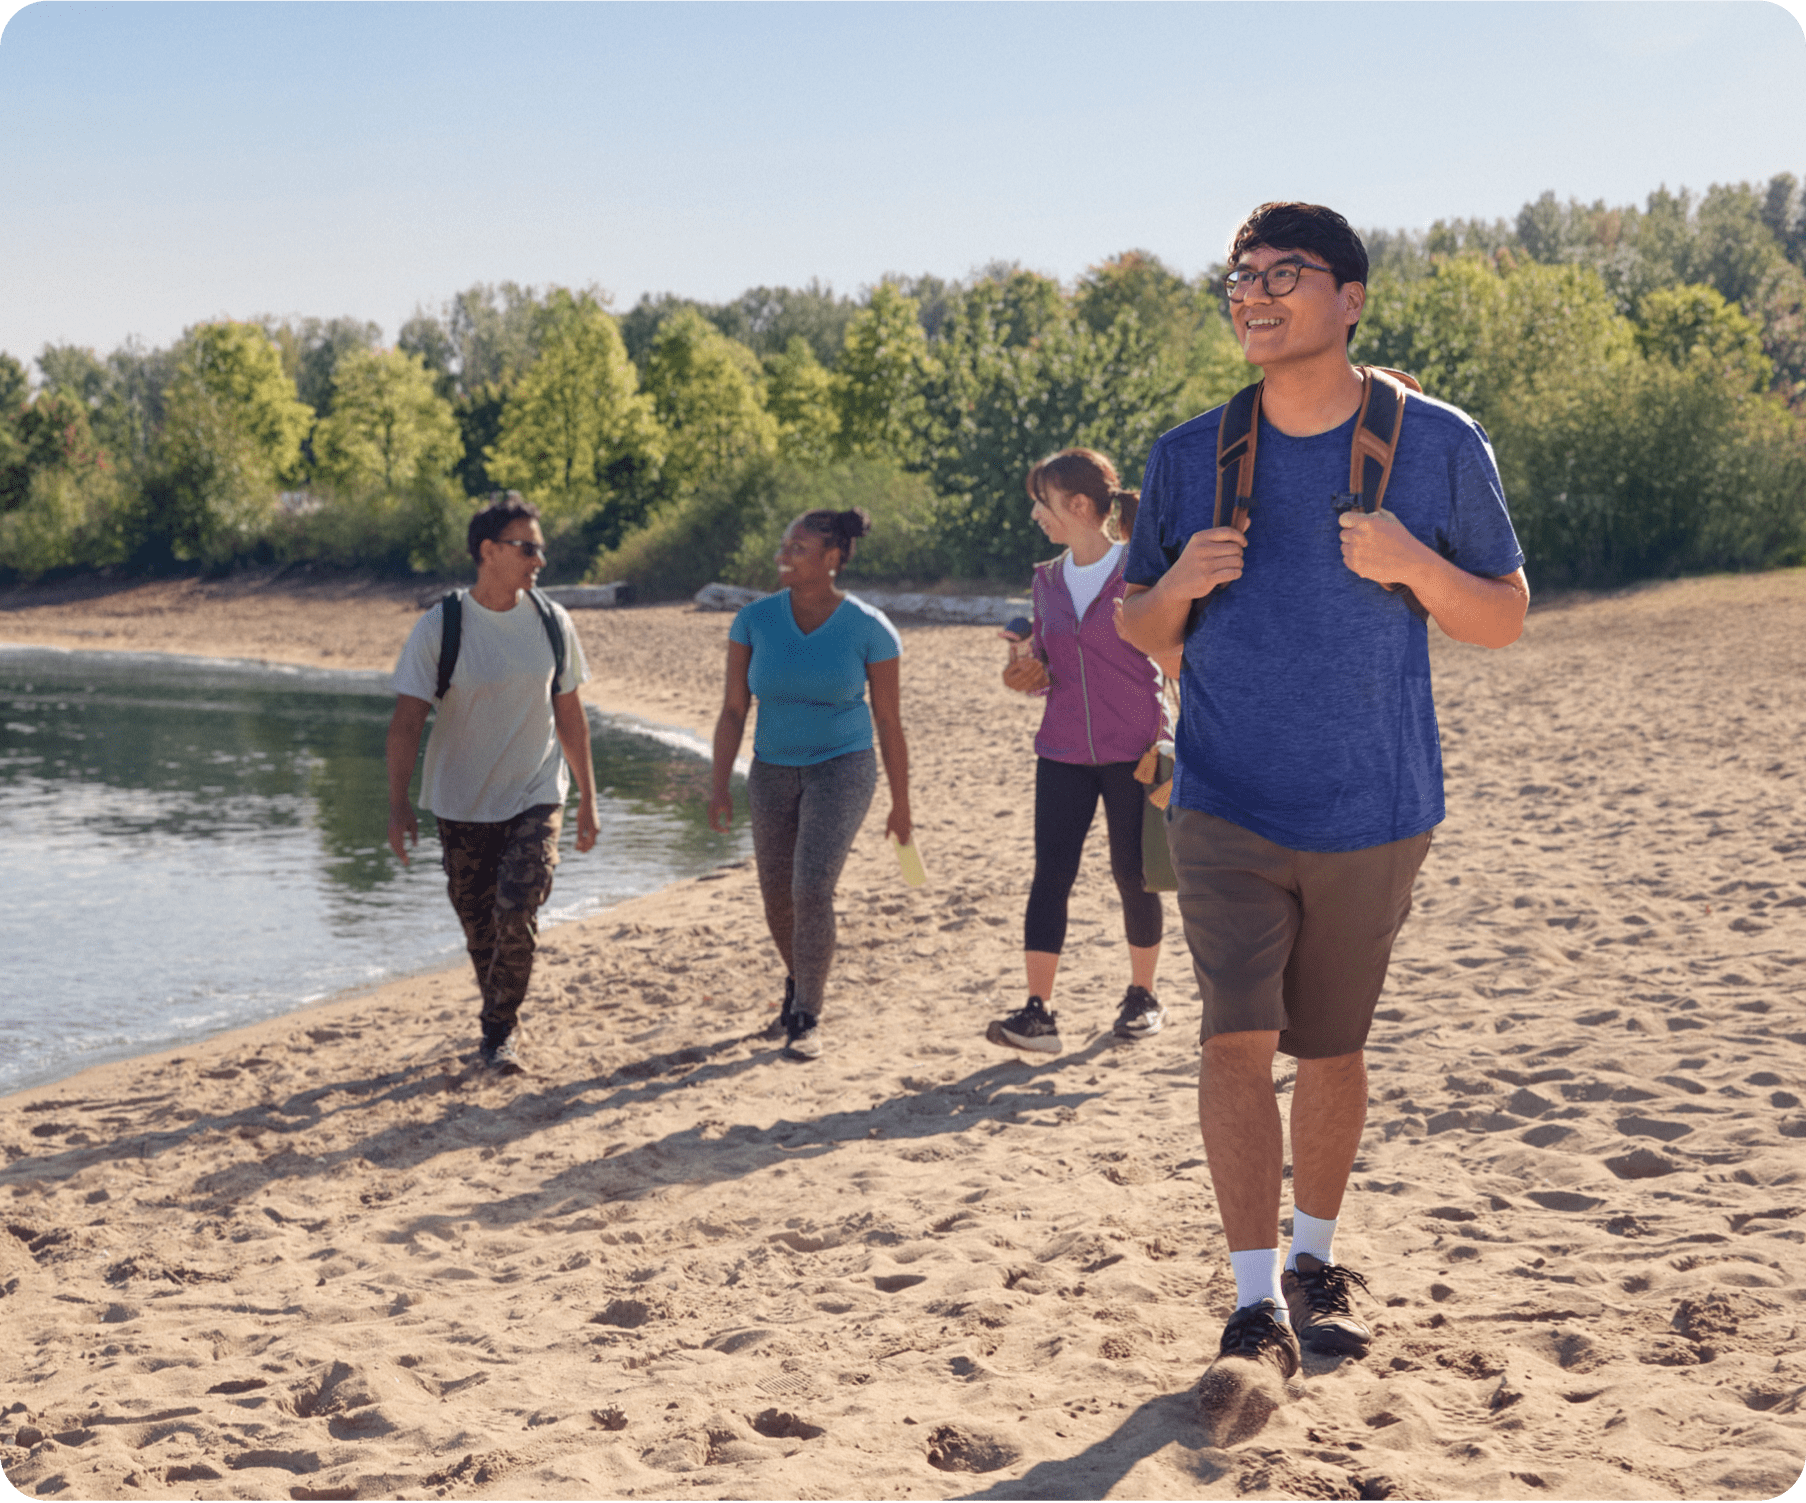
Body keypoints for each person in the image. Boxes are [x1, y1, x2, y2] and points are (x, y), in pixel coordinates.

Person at [1118, 202, 1529, 1385]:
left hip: (1377, 803)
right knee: (1235, 1041)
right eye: (1238, 276)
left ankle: (1315, 1259)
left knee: (1334, 1048)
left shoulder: (1439, 442)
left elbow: (1501, 615)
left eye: (1281, 274)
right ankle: (1253, 1304)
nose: (1252, 293)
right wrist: (1179, 585)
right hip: (1225, 800)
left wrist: (1412, 562)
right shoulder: (1190, 453)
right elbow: (1141, 627)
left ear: (1349, 296)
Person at [385, 494, 598, 1073]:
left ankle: (498, 1031)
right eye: (527, 547)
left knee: (517, 915)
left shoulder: (553, 623)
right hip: (460, 801)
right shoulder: (443, 625)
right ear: (488, 551)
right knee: (480, 927)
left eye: (541, 549)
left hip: (536, 791)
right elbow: (407, 722)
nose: (539, 561)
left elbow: (571, 716)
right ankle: (499, 1017)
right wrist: (398, 803)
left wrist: (587, 800)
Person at [708, 507, 911, 1062]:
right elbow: (732, 710)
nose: (784, 556)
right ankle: (800, 978)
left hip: (842, 768)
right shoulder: (754, 620)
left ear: (832, 559)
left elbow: (889, 722)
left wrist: (902, 805)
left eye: (798, 549)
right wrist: (719, 784)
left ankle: (806, 1015)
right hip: (770, 771)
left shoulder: (871, 629)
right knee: (777, 897)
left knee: (811, 888)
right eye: (785, 546)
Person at [986, 448, 1169, 1056]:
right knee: (1051, 876)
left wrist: (1176, 737)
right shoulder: (1045, 581)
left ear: (1080, 505)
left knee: (1133, 875)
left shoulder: (1140, 569)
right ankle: (1038, 1013)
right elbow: (1048, 669)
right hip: (1062, 751)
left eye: (1043, 502)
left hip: (1134, 750)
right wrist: (1025, 674)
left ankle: (1142, 996)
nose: (1036, 514)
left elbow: (1172, 655)